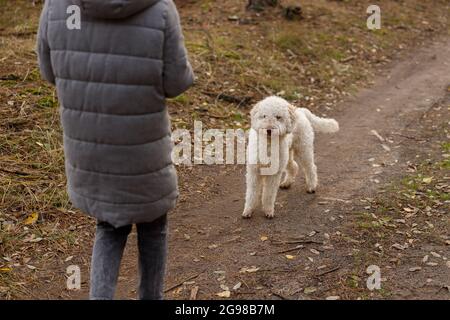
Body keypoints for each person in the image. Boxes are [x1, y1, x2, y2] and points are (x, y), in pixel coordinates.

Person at [37, 0, 194, 300]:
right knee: (153, 225)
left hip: (90, 147)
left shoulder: (57, 6)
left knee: (108, 227)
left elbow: (48, 71)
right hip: (143, 150)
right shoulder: (160, 9)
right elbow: (176, 82)